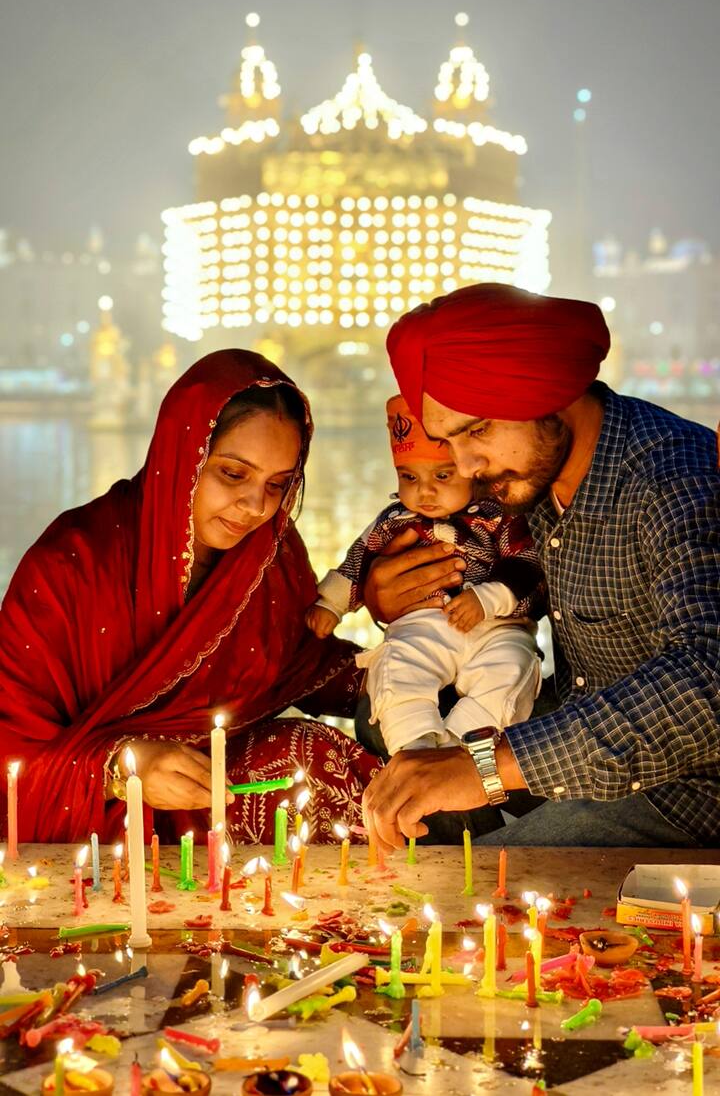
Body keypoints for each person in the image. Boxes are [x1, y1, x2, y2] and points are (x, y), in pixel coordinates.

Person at [361, 283, 720, 850]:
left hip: (684, 788)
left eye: (477, 429)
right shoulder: (531, 482)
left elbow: (709, 678)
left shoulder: (675, 479)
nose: (467, 465)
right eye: (449, 441)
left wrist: (486, 766)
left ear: (549, 391)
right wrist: (390, 599)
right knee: (381, 716)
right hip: (576, 726)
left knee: (478, 889)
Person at [0, 349, 379, 844]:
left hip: (213, 796)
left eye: (279, 485)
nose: (256, 506)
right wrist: (121, 767)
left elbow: (300, 662)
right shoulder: (70, 564)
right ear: (183, 455)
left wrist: (411, 654)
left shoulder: (272, 555)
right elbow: (12, 753)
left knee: (314, 758)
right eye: (233, 474)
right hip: (94, 815)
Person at [306, 394, 544, 756]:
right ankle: (413, 745)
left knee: (513, 668)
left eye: (443, 476)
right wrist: (332, 603)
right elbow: (360, 558)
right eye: (409, 477)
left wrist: (488, 599)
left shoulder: (499, 515)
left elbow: (526, 560)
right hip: (424, 622)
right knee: (399, 665)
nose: (425, 491)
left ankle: (463, 746)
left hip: (498, 626)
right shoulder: (396, 520)